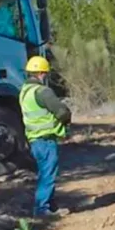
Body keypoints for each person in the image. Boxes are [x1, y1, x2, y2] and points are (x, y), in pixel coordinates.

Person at [19, 55, 72, 217]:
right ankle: (42, 209)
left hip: (34, 140)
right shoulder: (42, 91)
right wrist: (66, 121)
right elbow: (61, 111)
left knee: (45, 172)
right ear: (42, 73)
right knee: (47, 174)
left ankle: (50, 205)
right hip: (46, 139)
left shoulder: (24, 92)